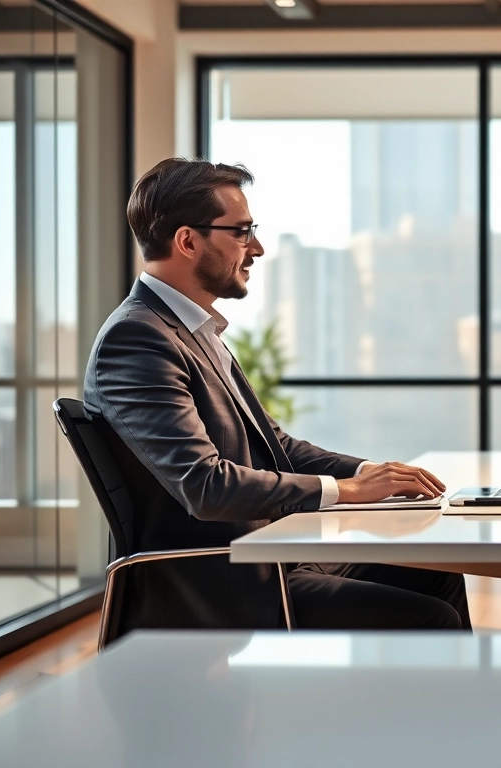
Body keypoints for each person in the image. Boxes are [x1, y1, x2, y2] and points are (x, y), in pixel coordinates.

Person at [85, 158, 469, 632]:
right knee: (429, 618)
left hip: (269, 556)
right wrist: (347, 492)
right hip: (217, 579)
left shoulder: (193, 332)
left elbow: (276, 447)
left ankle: (412, 708)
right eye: (242, 232)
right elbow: (205, 485)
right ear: (188, 241)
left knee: (436, 573)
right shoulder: (139, 339)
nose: (258, 248)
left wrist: (367, 472)